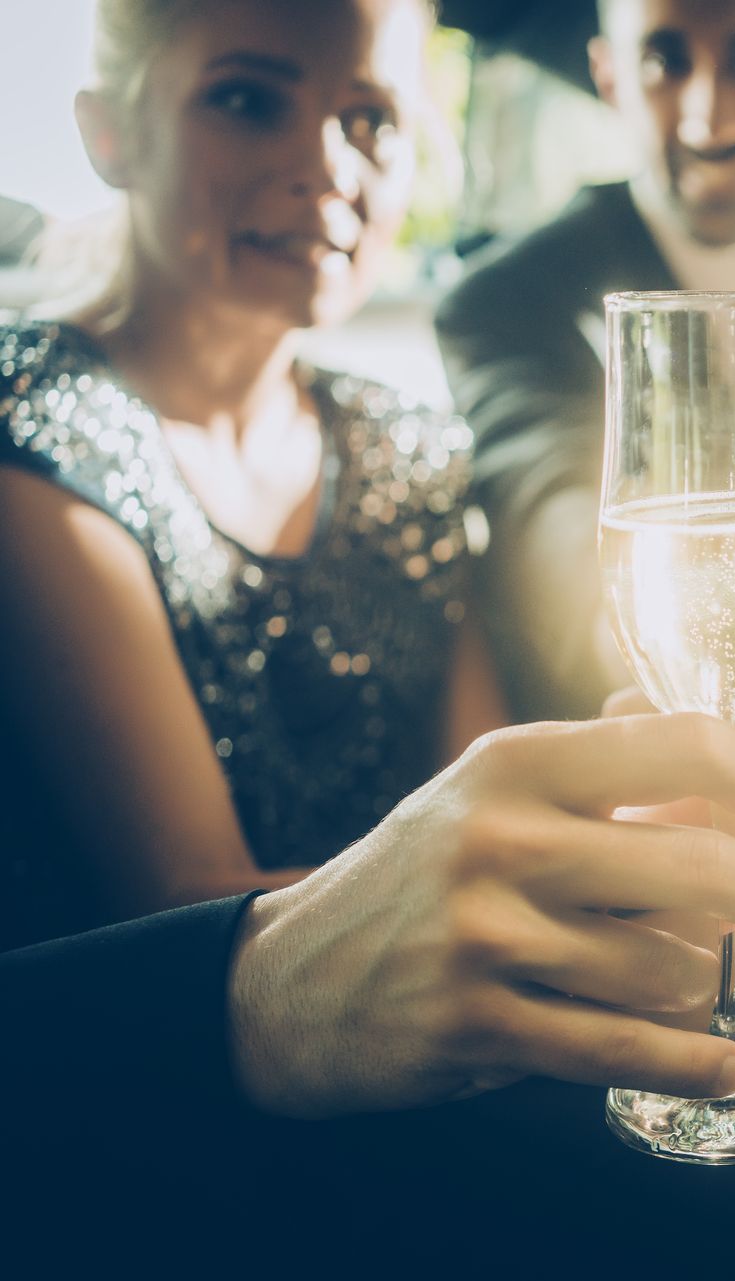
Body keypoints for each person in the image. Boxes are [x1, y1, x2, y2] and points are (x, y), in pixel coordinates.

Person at [4, 705, 735, 1273]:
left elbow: (490, 767)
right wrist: (263, 980)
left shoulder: (405, 435)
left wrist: (584, 860)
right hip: (171, 1082)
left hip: (434, 990)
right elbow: (160, 882)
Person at [0, 0, 509, 948]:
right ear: (109, 133)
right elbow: (183, 900)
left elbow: (482, 787)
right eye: (246, 100)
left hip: (432, 1024)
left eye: (371, 120)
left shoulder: (411, 451)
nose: (325, 165)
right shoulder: (30, 421)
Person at [434, 0, 735, 724]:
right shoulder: (509, 299)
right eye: (665, 62)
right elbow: (550, 518)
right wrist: (704, 669)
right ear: (609, 79)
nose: (708, 118)